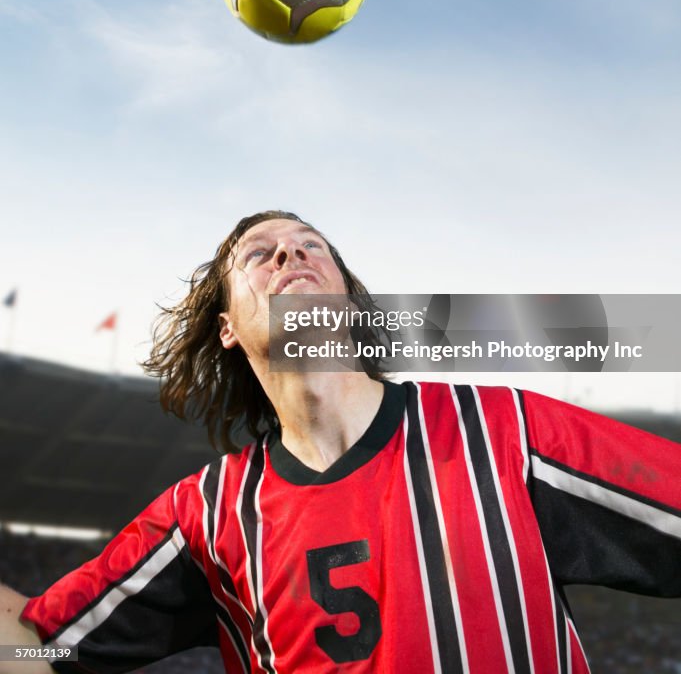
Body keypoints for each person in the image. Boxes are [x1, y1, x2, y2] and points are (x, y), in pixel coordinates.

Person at [1, 209, 681, 674]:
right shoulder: (202, 517)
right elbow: (42, 651)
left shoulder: (503, 430)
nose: (288, 253)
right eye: (257, 255)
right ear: (228, 328)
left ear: (350, 304)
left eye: (309, 245)